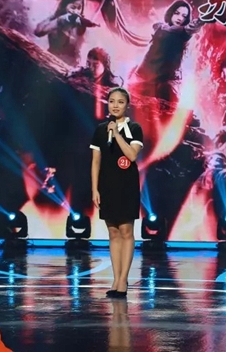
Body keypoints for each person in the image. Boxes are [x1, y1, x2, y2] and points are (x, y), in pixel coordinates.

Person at [89, 87, 144, 298]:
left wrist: (117, 134)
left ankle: (123, 280)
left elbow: (131, 155)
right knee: (113, 232)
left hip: (127, 185)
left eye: (120, 102)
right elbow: (96, 162)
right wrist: (95, 189)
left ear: (127, 105)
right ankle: (115, 278)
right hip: (107, 185)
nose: (115, 105)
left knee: (126, 231)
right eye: (112, 101)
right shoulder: (100, 130)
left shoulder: (134, 128)